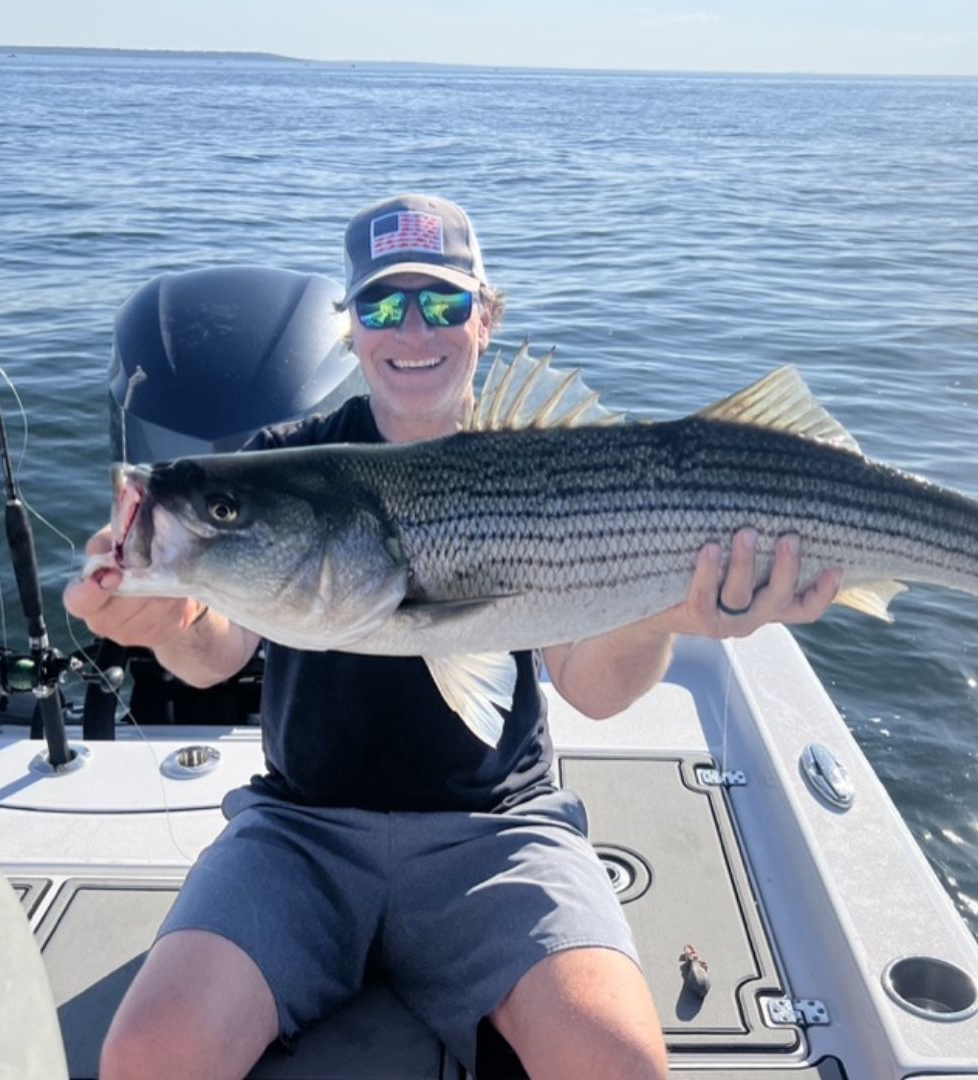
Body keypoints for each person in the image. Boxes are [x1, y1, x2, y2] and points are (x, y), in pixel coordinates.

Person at [65, 193, 841, 1080]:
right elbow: (217, 655)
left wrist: (667, 611)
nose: (411, 327)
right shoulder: (294, 459)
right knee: (147, 1057)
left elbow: (593, 691)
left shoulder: (550, 463)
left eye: (442, 302)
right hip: (302, 836)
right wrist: (166, 616)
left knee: (619, 1065)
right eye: (381, 305)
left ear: (487, 317)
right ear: (350, 331)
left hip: (500, 836)